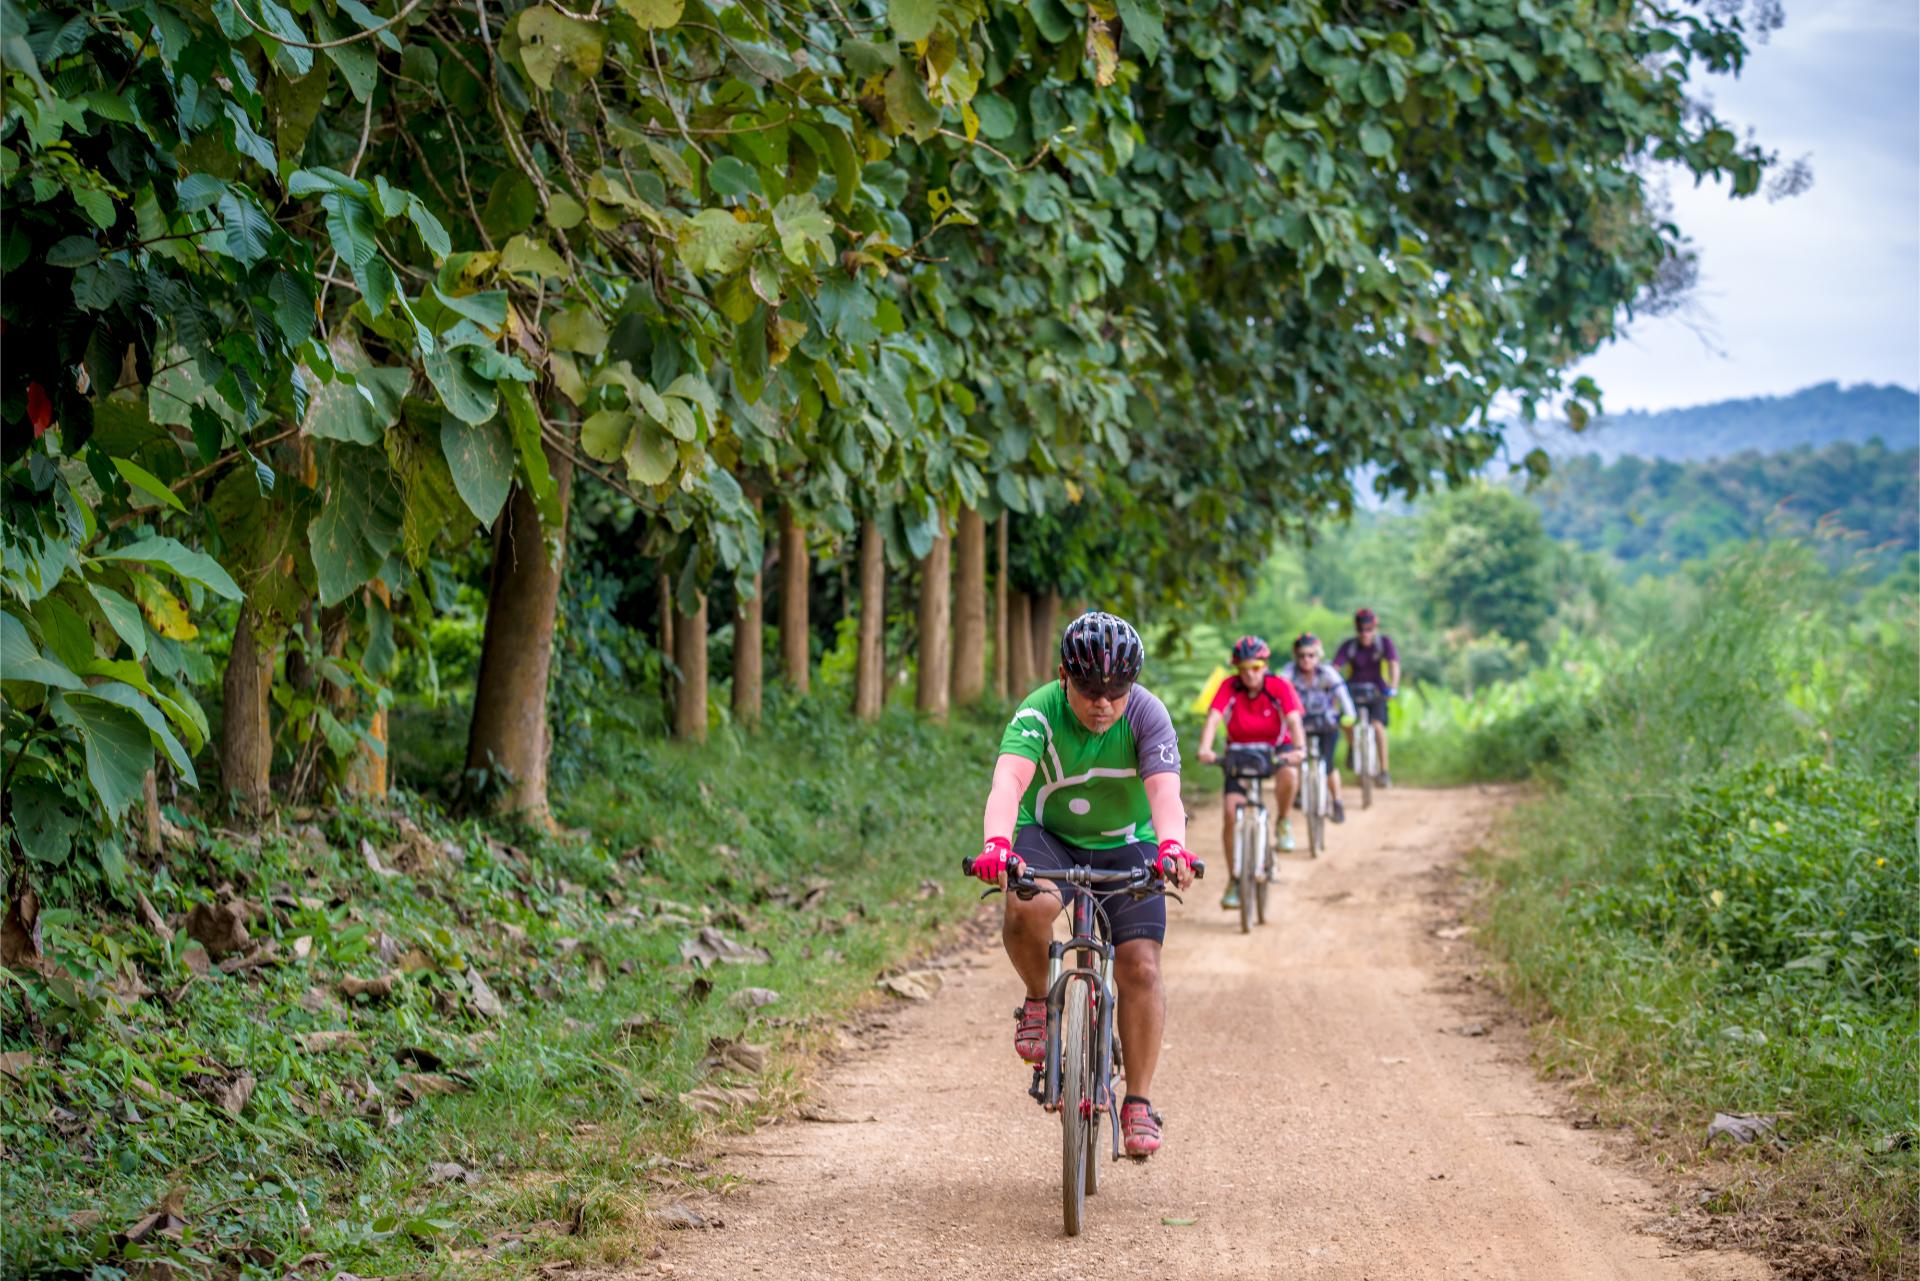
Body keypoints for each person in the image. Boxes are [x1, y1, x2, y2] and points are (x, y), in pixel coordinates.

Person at [971, 610, 1197, 1158]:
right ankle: (1034, 999)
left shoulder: (1147, 715)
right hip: (1051, 836)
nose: (1104, 702)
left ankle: (1138, 1101)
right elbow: (1009, 781)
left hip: (1128, 841)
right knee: (1027, 906)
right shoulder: (1038, 711)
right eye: (1090, 688)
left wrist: (1171, 847)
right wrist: (997, 844)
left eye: (1117, 689)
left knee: (1140, 964)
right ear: (1063, 676)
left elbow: (1166, 794)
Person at [1195, 635, 1305, 909]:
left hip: (1275, 750)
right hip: (1239, 754)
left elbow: (1293, 719)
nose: (1249, 674)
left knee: (1290, 774)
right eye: (1243, 669)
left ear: (1265, 666)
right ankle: (1234, 878)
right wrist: (1205, 748)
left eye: (1255, 668)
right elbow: (1214, 717)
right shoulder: (1229, 687)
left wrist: (1299, 749)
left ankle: (1283, 820)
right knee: (1231, 812)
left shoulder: (1280, 686)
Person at [1279, 633, 1355, 823]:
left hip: (1326, 723)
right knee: (1294, 758)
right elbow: (1277, 693)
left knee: (1327, 764)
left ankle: (1337, 802)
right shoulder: (1288, 673)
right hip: (1300, 724)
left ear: (1318, 655)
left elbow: (1343, 695)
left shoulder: (1327, 673)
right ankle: (1297, 791)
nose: (1306, 659)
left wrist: (1349, 715)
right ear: (1296, 656)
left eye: (1311, 655)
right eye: (1302, 655)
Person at [1333, 607, 1399, 786]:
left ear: (1374, 628)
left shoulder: (1383, 643)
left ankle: (1384, 771)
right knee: (1345, 722)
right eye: (1361, 629)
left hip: (1377, 692)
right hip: (1352, 691)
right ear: (1356, 629)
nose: (1365, 633)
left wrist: (1393, 686)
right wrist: (1333, 686)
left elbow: (1393, 664)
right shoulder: (1349, 646)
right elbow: (1336, 667)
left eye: (1368, 629)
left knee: (1378, 727)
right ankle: (1354, 747)